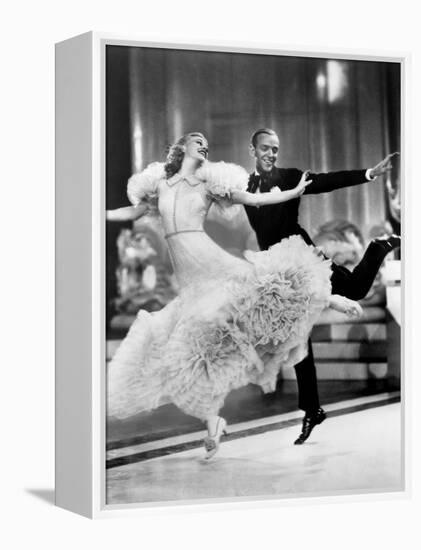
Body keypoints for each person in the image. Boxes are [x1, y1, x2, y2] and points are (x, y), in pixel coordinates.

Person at [107, 132, 363, 460]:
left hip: (208, 259)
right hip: (189, 279)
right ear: (183, 146)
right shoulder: (160, 185)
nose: (205, 145)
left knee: (262, 288)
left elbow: (254, 200)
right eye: (198, 141)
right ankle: (213, 422)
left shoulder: (208, 184)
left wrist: (293, 192)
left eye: (206, 144)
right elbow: (130, 214)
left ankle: (328, 298)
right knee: (188, 353)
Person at [244, 128, 400, 445]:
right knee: (298, 335)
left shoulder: (289, 177)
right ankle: (312, 409)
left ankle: (379, 247)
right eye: (265, 148)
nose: (271, 154)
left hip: (304, 260)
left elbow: (328, 181)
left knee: (355, 290)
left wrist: (369, 174)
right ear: (253, 151)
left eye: (275, 148)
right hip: (278, 269)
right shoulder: (245, 187)